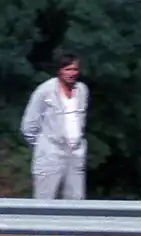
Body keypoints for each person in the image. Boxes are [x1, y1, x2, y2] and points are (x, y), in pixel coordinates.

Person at [20, 50, 90, 202]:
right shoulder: (45, 91)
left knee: (76, 201)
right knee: (45, 199)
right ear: (59, 71)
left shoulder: (82, 90)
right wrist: (43, 147)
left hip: (75, 153)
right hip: (51, 152)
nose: (72, 73)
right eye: (68, 69)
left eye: (75, 69)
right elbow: (28, 126)